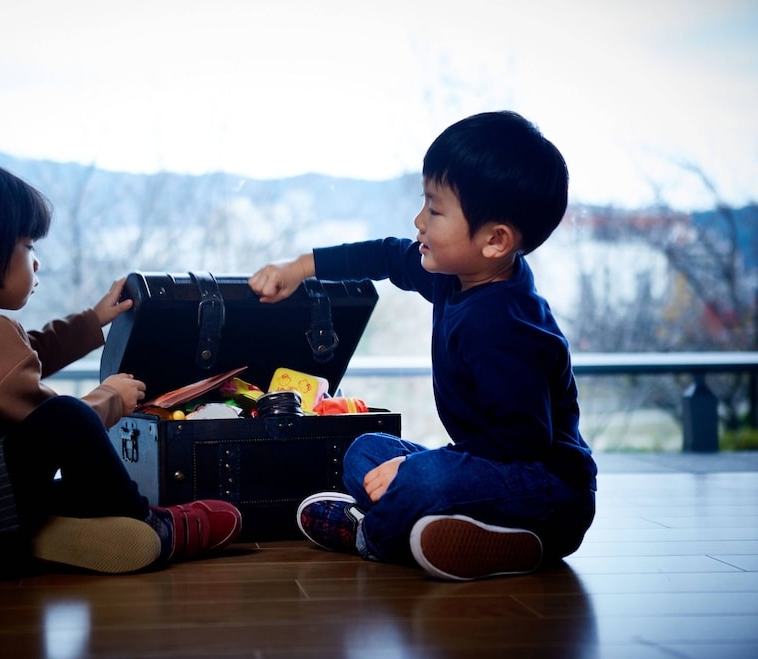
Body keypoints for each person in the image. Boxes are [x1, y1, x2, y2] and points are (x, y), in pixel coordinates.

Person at [248, 111, 596, 581]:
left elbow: (523, 439)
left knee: (421, 476)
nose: (419, 221)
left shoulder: (506, 325)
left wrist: (427, 466)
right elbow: (387, 255)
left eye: (434, 210)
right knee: (365, 451)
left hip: (550, 493)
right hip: (492, 474)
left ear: (494, 240)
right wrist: (299, 267)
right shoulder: (461, 276)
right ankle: (483, 540)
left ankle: (370, 535)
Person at [0, 160, 241, 582]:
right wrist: (111, 397)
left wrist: (92, 320)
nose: (36, 263)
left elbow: (22, 357)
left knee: (72, 484)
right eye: (28, 247)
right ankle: (149, 524)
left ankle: (39, 533)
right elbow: (60, 422)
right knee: (69, 415)